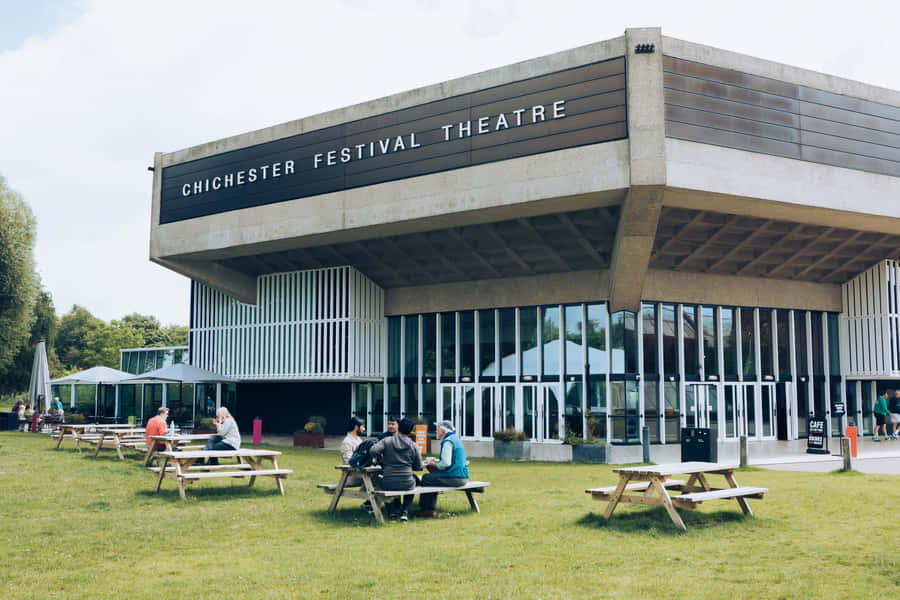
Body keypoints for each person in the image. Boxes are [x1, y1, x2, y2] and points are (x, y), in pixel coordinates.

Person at [368, 417, 422, 522]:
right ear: (410, 431)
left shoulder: (387, 441)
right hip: (407, 482)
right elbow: (418, 466)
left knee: (382, 484)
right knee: (413, 482)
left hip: (388, 480)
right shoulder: (413, 445)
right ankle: (405, 512)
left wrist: (381, 458)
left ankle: (392, 513)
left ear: (399, 427)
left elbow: (372, 451)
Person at [417, 420, 469, 518]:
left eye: (437, 429)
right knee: (431, 478)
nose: (436, 431)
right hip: (463, 477)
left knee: (426, 478)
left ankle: (427, 510)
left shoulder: (448, 441)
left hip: (455, 477)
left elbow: (445, 463)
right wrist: (437, 462)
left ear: (443, 430)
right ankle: (429, 509)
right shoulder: (455, 439)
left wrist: (433, 464)